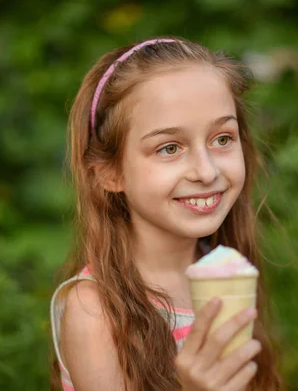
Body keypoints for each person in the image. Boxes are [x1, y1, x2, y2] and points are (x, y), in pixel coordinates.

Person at [50, 37, 282, 391]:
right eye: (169, 148)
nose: (206, 172)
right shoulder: (96, 311)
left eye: (222, 139)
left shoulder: (220, 274)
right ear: (109, 173)